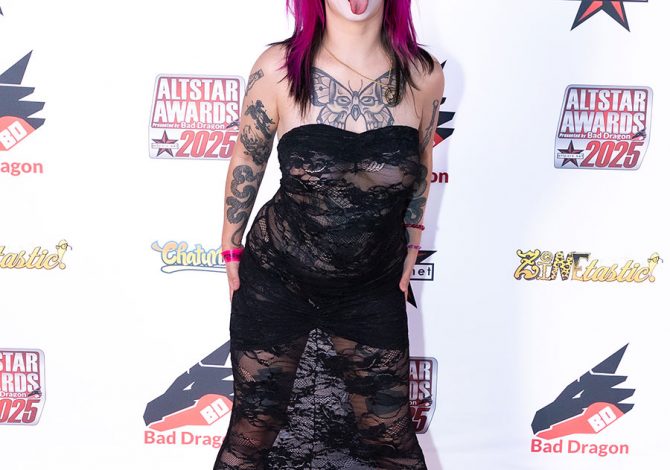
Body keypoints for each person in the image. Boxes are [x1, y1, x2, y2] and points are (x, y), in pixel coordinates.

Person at [214, 0, 443, 468]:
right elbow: (248, 157)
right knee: (254, 428)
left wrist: (413, 240)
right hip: (279, 278)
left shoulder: (423, 74)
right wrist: (231, 248)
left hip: (369, 285)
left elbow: (422, 163)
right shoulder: (278, 68)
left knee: (391, 440)